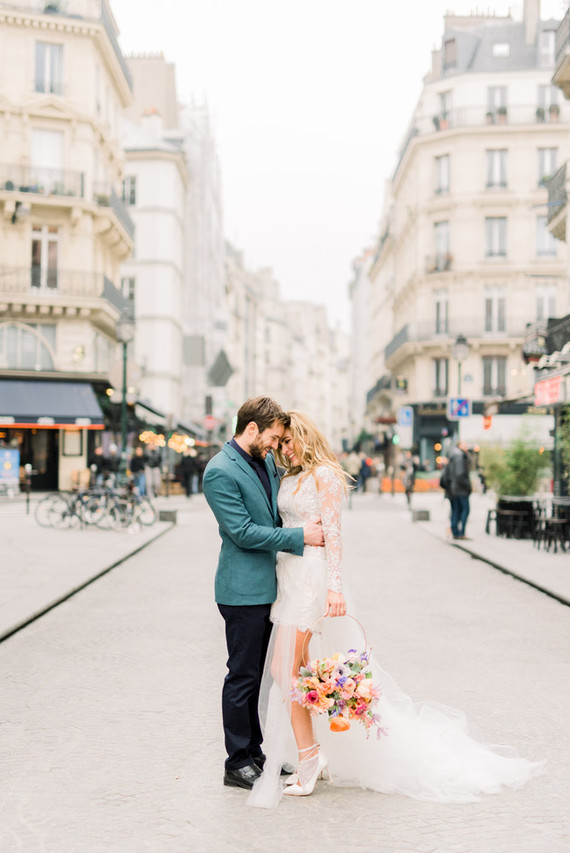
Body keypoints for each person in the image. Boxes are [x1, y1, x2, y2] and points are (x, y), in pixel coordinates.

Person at [248, 412, 543, 808]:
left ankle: (309, 758)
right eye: (280, 442)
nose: (284, 448)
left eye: (289, 440)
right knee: (295, 670)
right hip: (289, 576)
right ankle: (312, 752)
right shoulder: (289, 476)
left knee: (283, 669)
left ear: (305, 436)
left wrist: (335, 587)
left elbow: (334, 535)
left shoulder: (326, 476)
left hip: (312, 579)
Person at [203, 397, 325, 792]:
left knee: (260, 679)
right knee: (242, 677)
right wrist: (299, 537)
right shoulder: (219, 471)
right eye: (272, 437)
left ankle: (255, 754)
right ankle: (236, 762)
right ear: (251, 429)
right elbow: (241, 531)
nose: (276, 446)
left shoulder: (266, 460)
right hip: (241, 590)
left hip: (271, 587)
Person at [446, 440, 472, 540]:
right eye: (465, 444)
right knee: (465, 510)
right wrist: (468, 486)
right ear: (460, 446)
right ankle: (461, 532)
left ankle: (455, 531)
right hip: (461, 489)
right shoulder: (459, 456)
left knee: (456, 510)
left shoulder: (453, 456)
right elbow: (460, 474)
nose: (467, 446)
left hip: (453, 488)